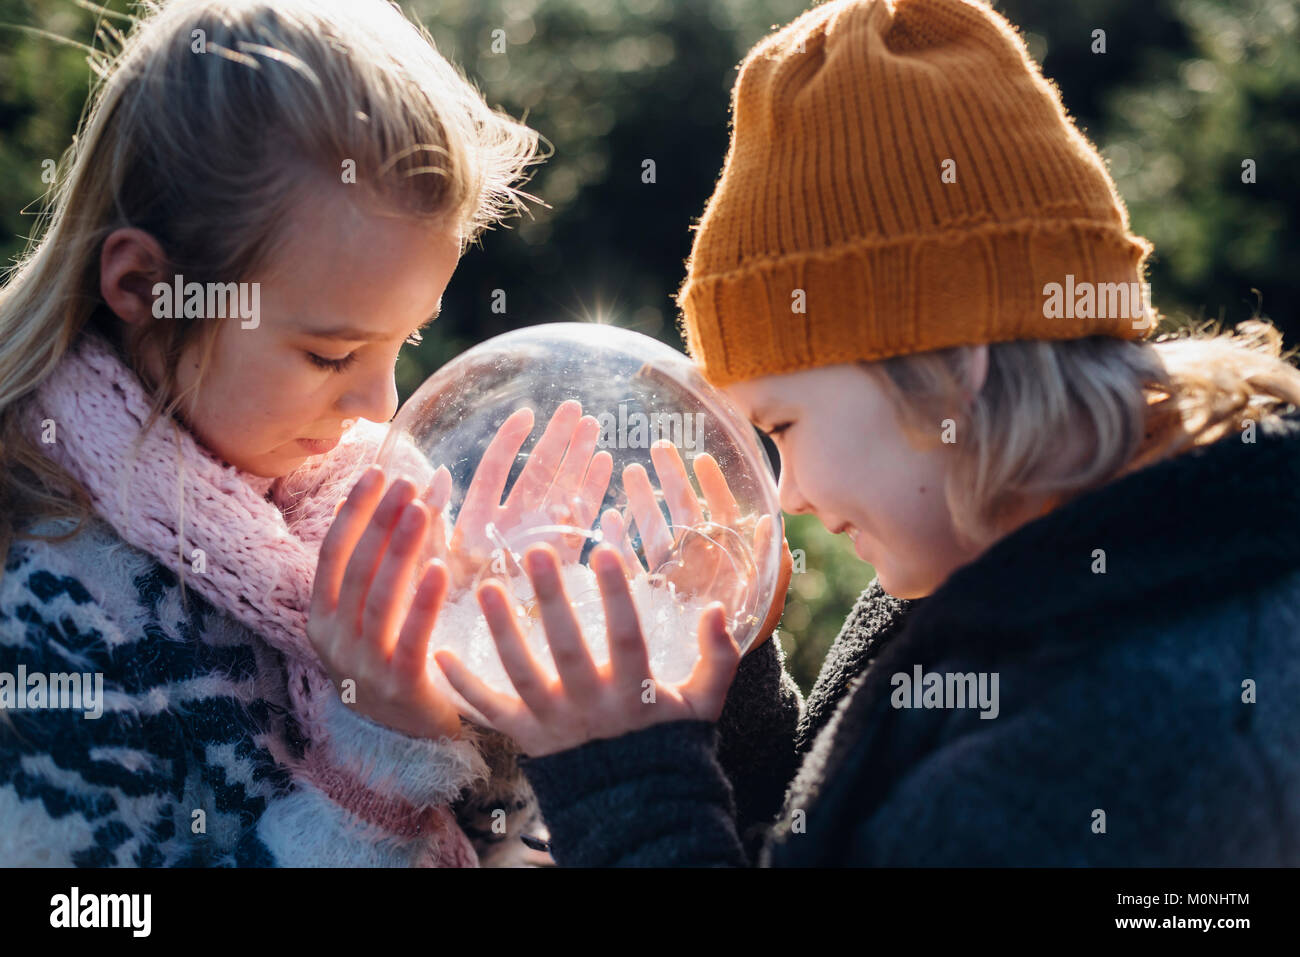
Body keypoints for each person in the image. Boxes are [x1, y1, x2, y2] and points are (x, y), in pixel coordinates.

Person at [434, 0, 1300, 865]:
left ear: (952, 363)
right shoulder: (992, 551)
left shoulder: (1155, 734)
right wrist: (710, 698)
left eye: (784, 423)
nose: (788, 494)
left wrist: (621, 782)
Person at [0, 0, 546, 866]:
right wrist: (382, 756)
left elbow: (506, 837)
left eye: (402, 341)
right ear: (145, 286)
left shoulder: (348, 500)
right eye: (331, 354)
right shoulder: (45, 604)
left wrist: (491, 679)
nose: (380, 403)